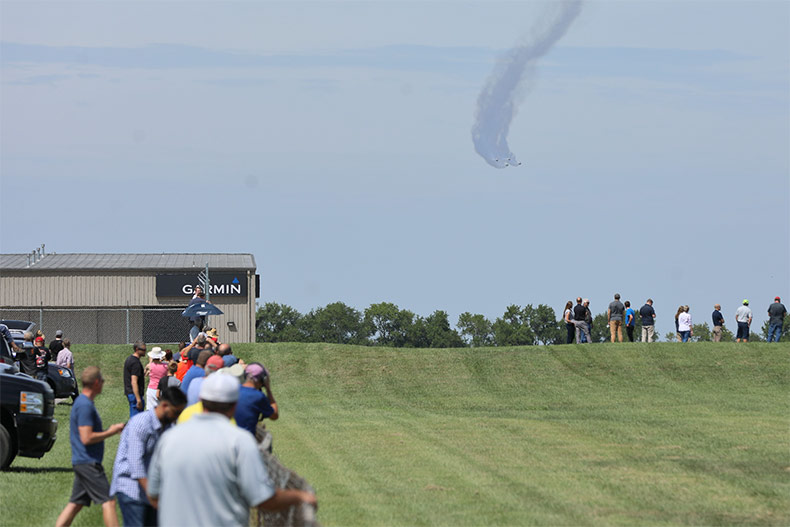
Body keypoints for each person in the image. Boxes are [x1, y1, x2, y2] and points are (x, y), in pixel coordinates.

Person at [147, 374, 317, 527]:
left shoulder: (169, 438)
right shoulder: (240, 441)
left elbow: (154, 493)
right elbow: (263, 499)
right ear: (234, 405)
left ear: (201, 399)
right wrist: (300, 496)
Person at [55, 367, 125, 527]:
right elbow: (86, 438)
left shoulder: (82, 403)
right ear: (96, 383)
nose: (103, 384)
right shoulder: (85, 405)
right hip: (88, 463)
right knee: (109, 501)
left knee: (76, 504)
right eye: (102, 381)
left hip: (82, 462)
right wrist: (111, 431)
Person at [110, 387, 187, 527]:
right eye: (176, 412)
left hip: (150, 489)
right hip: (131, 488)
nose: (177, 417)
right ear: (164, 406)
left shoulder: (167, 426)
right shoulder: (141, 424)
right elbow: (135, 463)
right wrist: (152, 494)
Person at [235, 363, 279, 436]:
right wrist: (268, 389)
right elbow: (274, 415)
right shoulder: (258, 396)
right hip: (245, 440)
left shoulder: (233, 389)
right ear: (262, 380)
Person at [124, 342, 147, 418]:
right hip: (134, 394)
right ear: (137, 349)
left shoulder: (129, 359)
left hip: (130, 393)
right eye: (143, 350)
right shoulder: (135, 363)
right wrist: (138, 399)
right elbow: (134, 381)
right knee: (136, 419)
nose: (145, 351)